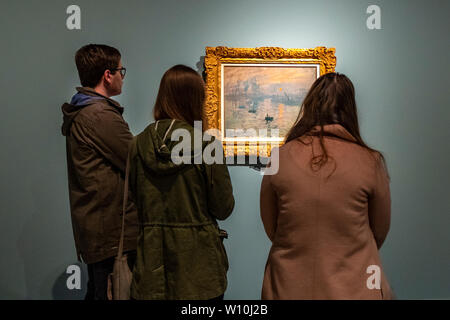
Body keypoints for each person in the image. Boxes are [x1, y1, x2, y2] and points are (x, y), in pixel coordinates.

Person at [260, 72, 393, 299]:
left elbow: (271, 226)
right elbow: (379, 230)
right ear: (351, 109)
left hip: (287, 284)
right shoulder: (371, 161)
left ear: (310, 106)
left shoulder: (279, 157)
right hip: (355, 286)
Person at [128, 65, 235, 300]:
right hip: (200, 271)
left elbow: (134, 200)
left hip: (151, 269)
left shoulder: (137, 145)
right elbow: (223, 208)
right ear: (196, 100)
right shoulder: (208, 146)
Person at [61, 44, 138, 300]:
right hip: (112, 235)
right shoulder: (99, 115)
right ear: (108, 75)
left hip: (100, 232)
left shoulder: (85, 111)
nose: (122, 76)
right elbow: (137, 159)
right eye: (120, 71)